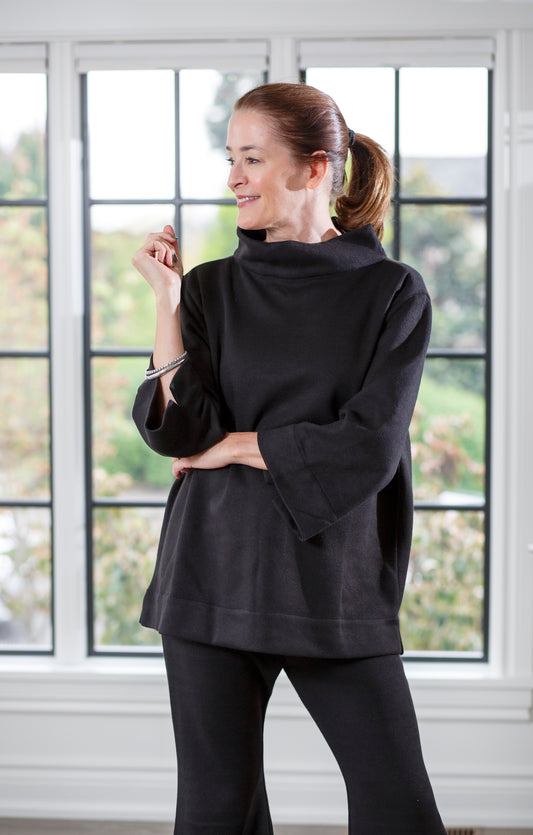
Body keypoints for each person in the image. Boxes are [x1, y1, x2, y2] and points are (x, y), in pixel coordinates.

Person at [131, 82, 447, 835]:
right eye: (230, 158)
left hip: (332, 579)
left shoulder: (391, 292)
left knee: (398, 808)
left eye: (251, 158)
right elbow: (181, 433)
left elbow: (368, 443)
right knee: (217, 813)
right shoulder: (208, 288)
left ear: (313, 168)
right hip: (210, 569)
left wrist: (239, 445)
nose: (232, 177)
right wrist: (167, 302)